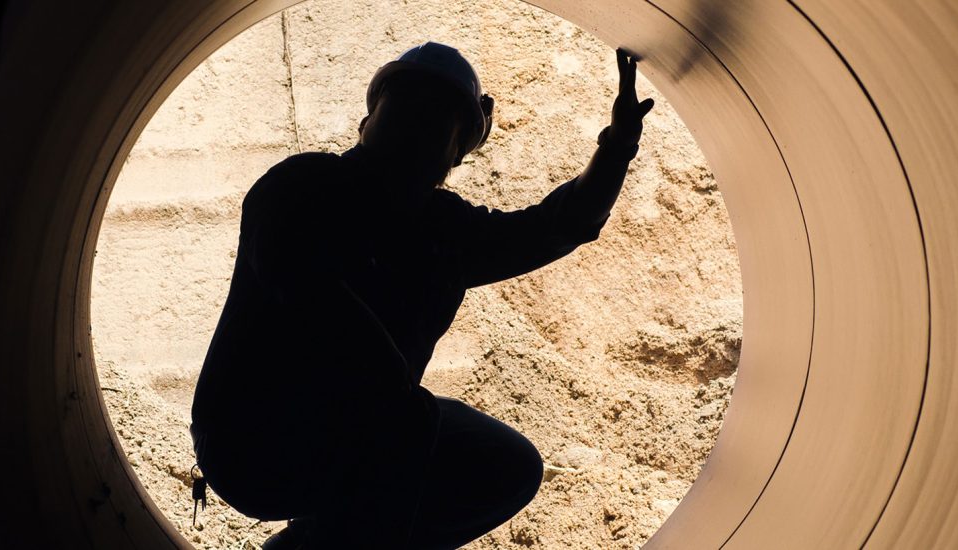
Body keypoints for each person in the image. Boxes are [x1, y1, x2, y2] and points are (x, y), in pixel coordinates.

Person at [188, 41, 655, 549]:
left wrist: (616, 149)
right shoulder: (302, 187)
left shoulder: (443, 232)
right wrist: (397, 398)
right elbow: (309, 294)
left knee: (507, 464)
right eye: (407, 114)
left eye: (436, 123)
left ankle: (316, 543)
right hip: (252, 446)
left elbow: (558, 225)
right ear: (367, 127)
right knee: (408, 426)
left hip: (359, 439)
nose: (416, 131)